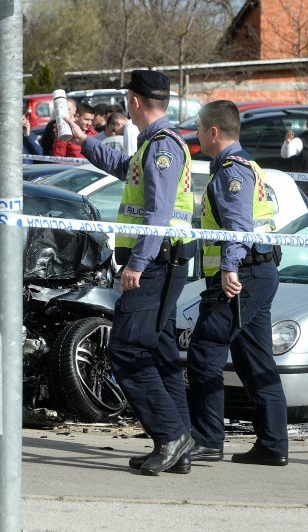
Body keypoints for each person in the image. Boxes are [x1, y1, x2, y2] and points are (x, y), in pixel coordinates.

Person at [65, 69, 196, 476]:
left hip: (156, 262)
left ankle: (171, 435)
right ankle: (177, 444)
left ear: (134, 101)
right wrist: (82, 140)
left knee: (126, 351)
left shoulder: (163, 146)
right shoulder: (154, 142)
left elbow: (157, 211)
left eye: (126, 97)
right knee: (159, 353)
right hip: (164, 260)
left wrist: (137, 262)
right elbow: (125, 169)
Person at [187, 100, 289, 467]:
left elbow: (238, 225)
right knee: (255, 362)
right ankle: (273, 444)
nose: (197, 135)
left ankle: (207, 440)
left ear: (214, 132)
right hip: (258, 272)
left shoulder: (232, 171)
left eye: (199, 129)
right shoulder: (246, 165)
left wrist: (229, 268)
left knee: (203, 354)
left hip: (240, 276)